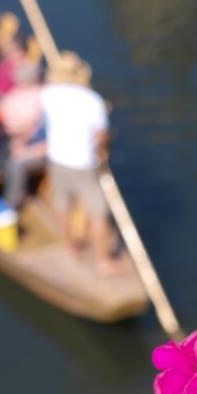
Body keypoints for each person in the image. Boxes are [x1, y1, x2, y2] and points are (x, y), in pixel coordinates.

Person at [41, 51, 123, 274]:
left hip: (57, 159)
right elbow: (100, 136)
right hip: (83, 163)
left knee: (63, 206)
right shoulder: (92, 101)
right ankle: (103, 261)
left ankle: (70, 247)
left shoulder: (48, 94)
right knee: (98, 214)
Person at [0, 62, 46, 209]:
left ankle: (11, 205)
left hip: (37, 147)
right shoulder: (19, 93)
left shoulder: (42, 98)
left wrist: (24, 147)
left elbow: (33, 127)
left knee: (15, 163)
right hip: (16, 136)